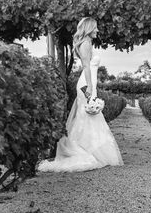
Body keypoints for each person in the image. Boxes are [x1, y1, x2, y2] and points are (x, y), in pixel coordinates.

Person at [38, 17, 123, 173]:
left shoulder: (87, 43)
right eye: (95, 28)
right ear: (89, 28)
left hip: (90, 82)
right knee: (87, 116)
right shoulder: (85, 43)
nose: (97, 30)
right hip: (86, 83)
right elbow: (86, 66)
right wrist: (90, 86)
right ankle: (84, 150)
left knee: (89, 117)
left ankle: (90, 149)